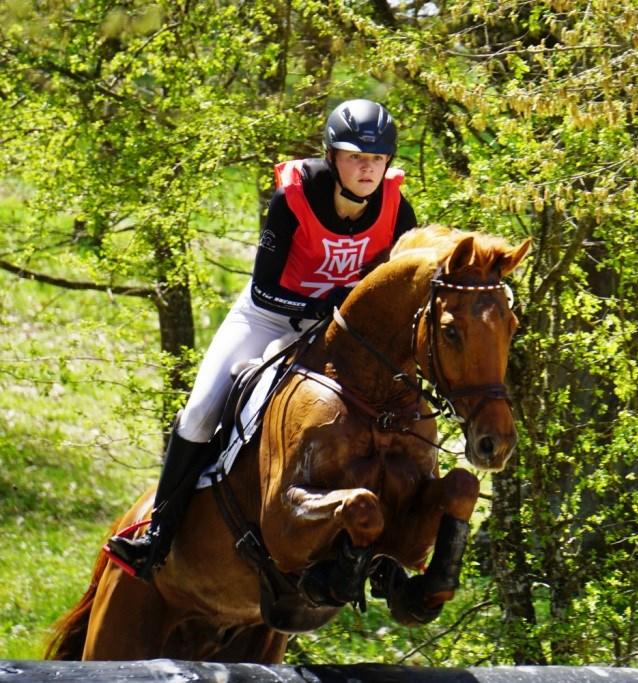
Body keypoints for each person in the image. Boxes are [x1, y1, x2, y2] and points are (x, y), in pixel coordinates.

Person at [105, 99, 418, 581]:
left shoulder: (397, 209)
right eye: (356, 156)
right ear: (331, 157)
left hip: (339, 334)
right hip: (269, 318)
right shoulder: (293, 199)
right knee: (201, 410)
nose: (367, 168)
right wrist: (325, 306)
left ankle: (387, 552)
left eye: (377, 159)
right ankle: (157, 535)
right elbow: (264, 287)